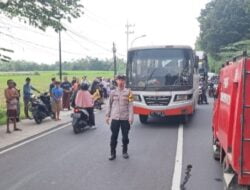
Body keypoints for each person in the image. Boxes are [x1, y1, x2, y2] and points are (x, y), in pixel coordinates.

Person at [106, 75, 134, 161]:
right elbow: (109, 104)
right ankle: (112, 153)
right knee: (114, 136)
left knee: (125, 137)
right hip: (115, 118)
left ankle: (124, 151)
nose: (121, 82)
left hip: (125, 118)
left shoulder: (129, 92)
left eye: (122, 80)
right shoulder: (112, 92)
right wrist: (107, 115)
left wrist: (131, 117)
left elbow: (131, 105)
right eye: (119, 80)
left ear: (124, 81)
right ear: (116, 81)